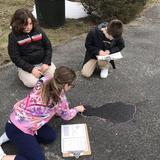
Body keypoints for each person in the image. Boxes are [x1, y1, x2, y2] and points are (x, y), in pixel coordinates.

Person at [0, 66, 85, 160]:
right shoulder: (60, 100)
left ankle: (17, 139)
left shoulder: (43, 80)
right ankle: (3, 157)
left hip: (20, 119)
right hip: (17, 128)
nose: (71, 88)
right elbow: (67, 116)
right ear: (65, 85)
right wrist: (77, 109)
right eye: (71, 86)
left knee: (50, 137)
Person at [8, 8, 56, 88]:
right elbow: (15, 58)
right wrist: (31, 69)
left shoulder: (38, 30)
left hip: (42, 63)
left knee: (54, 75)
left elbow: (48, 46)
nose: (29, 27)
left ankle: (42, 75)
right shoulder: (13, 36)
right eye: (25, 25)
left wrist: (46, 62)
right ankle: (21, 73)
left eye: (30, 23)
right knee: (32, 83)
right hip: (27, 66)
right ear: (18, 24)